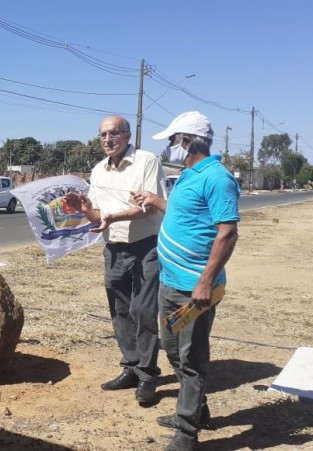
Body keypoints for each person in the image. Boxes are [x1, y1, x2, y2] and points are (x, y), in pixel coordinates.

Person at [134, 111, 240, 451]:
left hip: (195, 289)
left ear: (185, 141)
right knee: (172, 348)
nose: (168, 147)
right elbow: (185, 215)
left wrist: (205, 282)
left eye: (171, 141)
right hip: (170, 282)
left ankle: (186, 433)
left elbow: (227, 232)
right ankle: (198, 409)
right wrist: (155, 201)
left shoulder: (217, 178)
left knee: (192, 358)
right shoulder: (187, 176)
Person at [63, 115, 166, 404]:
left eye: (113, 134)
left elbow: (148, 207)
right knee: (120, 312)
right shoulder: (98, 171)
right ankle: (131, 366)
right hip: (114, 249)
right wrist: (85, 210)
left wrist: (111, 216)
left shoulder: (146, 161)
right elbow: (98, 216)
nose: (107, 140)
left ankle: (147, 375)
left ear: (127, 134)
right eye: (102, 135)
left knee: (143, 312)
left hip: (146, 247)